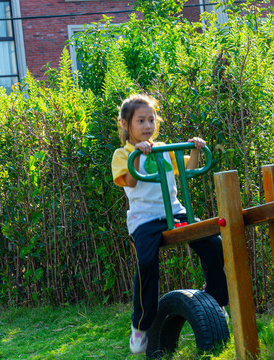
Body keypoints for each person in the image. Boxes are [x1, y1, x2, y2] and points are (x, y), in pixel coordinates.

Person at [111, 94, 228, 354]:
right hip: (144, 220)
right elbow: (129, 182)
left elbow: (189, 170)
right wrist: (139, 156)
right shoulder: (123, 154)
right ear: (125, 124)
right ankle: (141, 325)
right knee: (147, 262)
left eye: (151, 120)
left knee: (212, 242)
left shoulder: (165, 149)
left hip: (174, 212)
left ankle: (216, 300)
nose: (147, 126)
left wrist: (195, 149)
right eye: (140, 121)